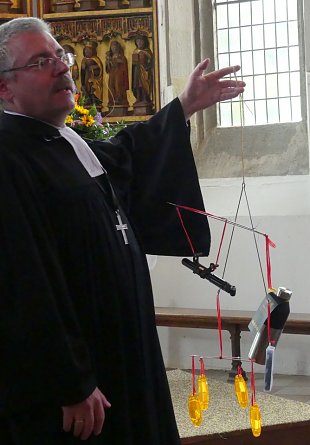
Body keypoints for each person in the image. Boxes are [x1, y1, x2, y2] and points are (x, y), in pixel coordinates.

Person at [0, 17, 244, 445]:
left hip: (123, 354)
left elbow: (126, 157)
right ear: (4, 88)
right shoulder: (9, 157)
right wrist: (69, 382)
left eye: (61, 55)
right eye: (42, 60)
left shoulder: (63, 141)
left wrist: (183, 106)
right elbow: (24, 284)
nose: (62, 67)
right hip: (79, 384)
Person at [105, 39, 129, 109]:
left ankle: (119, 99)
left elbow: (123, 63)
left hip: (119, 74)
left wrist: (116, 61)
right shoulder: (110, 57)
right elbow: (108, 69)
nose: (114, 48)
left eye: (115, 47)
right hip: (112, 74)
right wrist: (108, 62)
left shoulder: (121, 56)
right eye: (112, 47)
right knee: (111, 86)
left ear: (118, 48)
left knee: (118, 85)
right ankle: (112, 100)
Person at [80, 40, 103, 107]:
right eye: (86, 50)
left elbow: (100, 69)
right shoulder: (84, 60)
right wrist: (83, 68)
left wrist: (94, 67)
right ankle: (88, 101)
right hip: (86, 78)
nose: (87, 52)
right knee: (86, 89)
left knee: (93, 90)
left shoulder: (96, 59)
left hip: (94, 79)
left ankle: (95, 103)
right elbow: (82, 73)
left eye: (89, 50)